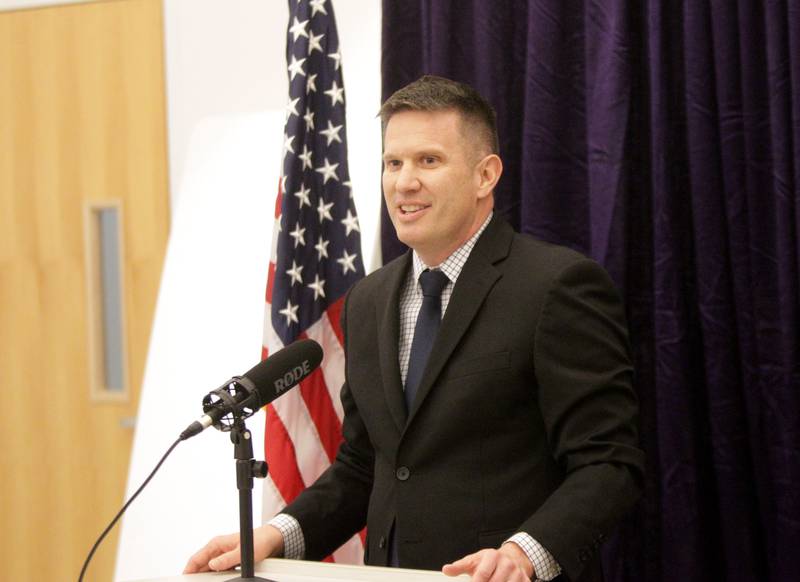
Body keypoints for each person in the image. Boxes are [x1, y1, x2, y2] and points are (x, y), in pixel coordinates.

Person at [185, 75, 644, 582]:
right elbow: (366, 466)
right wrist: (276, 534)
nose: (404, 182)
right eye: (393, 163)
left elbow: (608, 464)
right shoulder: (368, 301)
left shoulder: (555, 286)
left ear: (485, 175)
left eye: (429, 161)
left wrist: (521, 555)